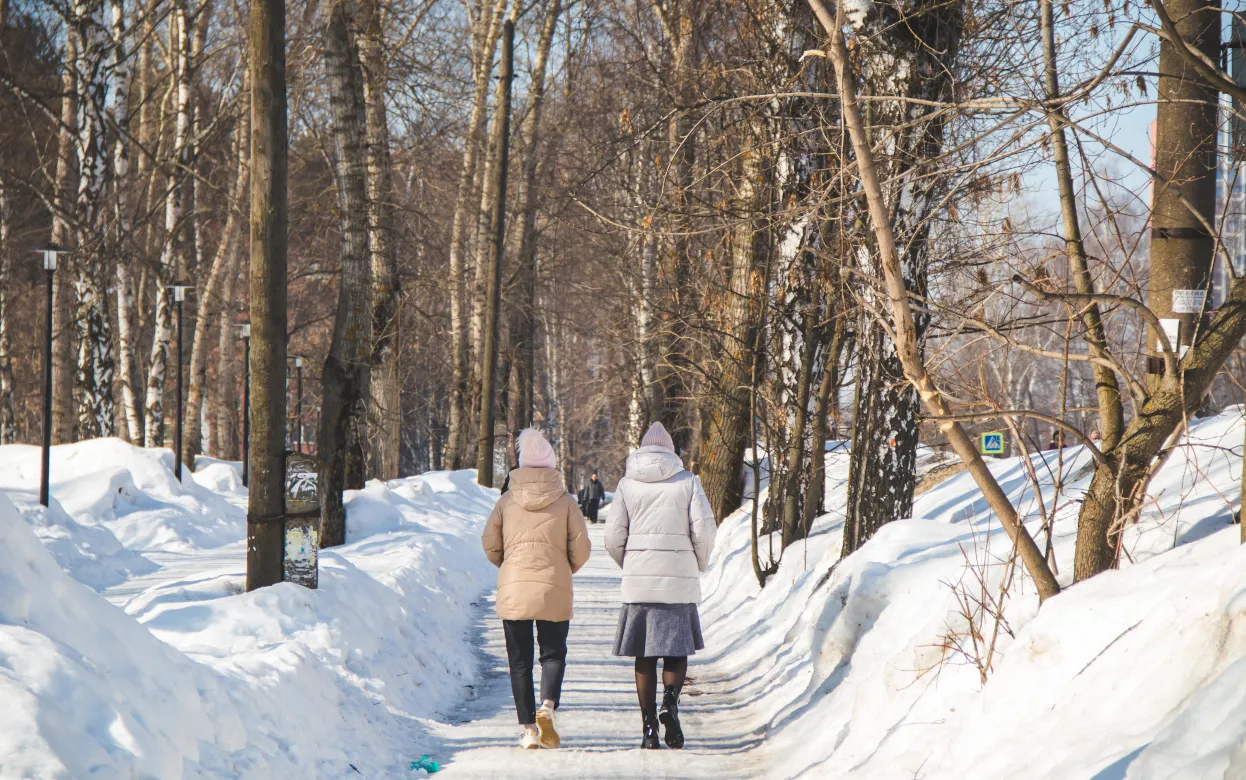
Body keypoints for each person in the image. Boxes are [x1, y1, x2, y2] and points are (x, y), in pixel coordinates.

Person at [606, 421, 716, 750]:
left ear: (641, 451)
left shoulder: (627, 484)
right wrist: (698, 562)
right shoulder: (688, 482)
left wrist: (631, 562)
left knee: (644, 655)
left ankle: (649, 728)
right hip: (677, 578)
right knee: (675, 650)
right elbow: (705, 531)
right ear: (670, 451)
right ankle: (670, 700)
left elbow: (613, 537)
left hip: (640, 582)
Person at [482, 428, 592, 750]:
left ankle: (529, 730)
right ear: (552, 465)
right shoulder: (567, 502)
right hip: (554, 587)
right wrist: (563, 569)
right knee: (553, 654)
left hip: (514, 588)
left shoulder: (505, 501)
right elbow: (582, 548)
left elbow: (489, 544)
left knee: (520, 661)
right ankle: (547, 706)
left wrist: (509, 566)